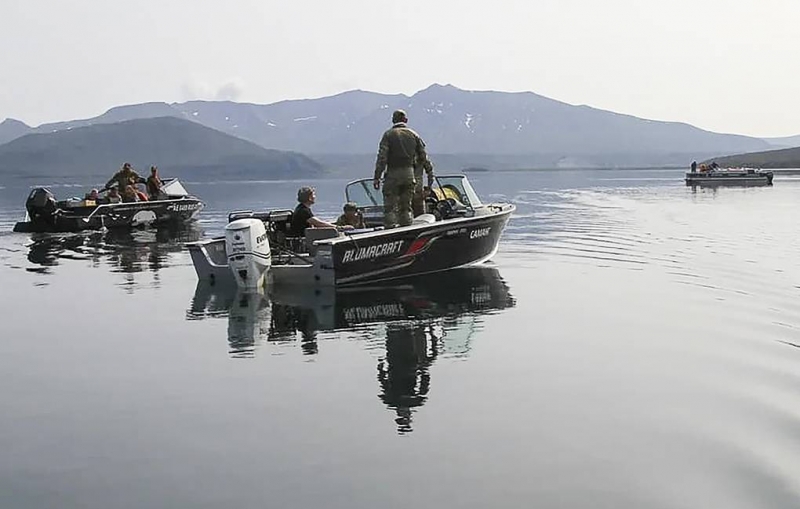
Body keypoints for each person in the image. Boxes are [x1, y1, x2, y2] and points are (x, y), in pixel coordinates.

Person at [374, 109, 430, 228]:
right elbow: (423, 157)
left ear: (393, 120)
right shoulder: (414, 135)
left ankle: (390, 231)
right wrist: (427, 175)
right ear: (405, 120)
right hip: (409, 175)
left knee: (389, 207)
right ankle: (407, 230)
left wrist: (377, 177)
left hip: (393, 174)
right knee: (406, 207)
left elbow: (382, 158)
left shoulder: (388, 135)